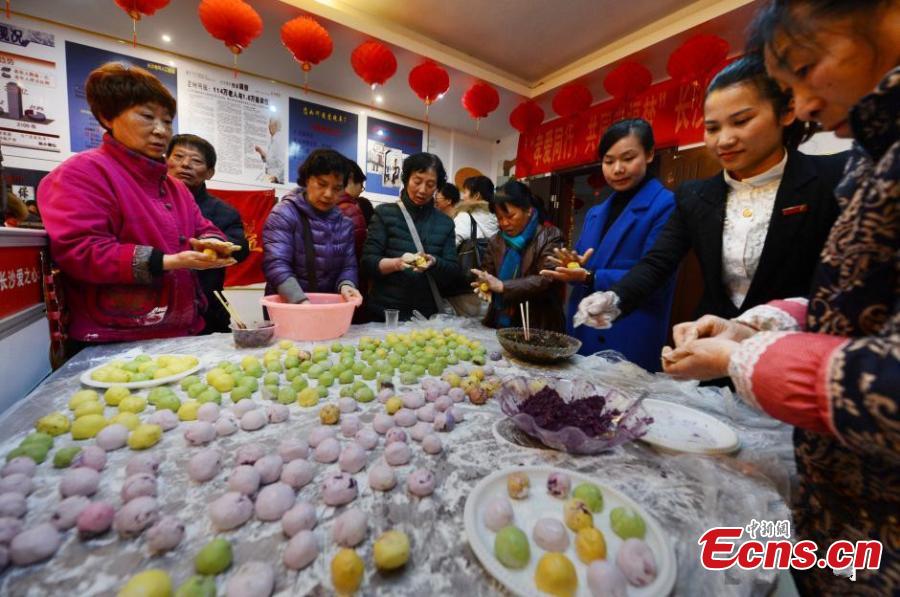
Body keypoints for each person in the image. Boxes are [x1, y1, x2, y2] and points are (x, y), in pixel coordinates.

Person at [662, 2, 899, 594]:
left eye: (807, 66)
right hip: (834, 476)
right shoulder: (875, 153)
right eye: (712, 127)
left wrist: (739, 357)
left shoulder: (831, 173)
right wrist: (752, 325)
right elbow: (848, 301)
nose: (808, 105)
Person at [576, 56, 847, 337]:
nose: (724, 140)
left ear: (786, 113)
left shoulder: (833, 179)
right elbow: (658, 262)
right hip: (710, 345)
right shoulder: (695, 196)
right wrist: (615, 299)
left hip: (797, 353)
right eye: (712, 128)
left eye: (741, 121)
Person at [38, 62, 232, 348]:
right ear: (107, 117)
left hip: (183, 330)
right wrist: (166, 262)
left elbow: (205, 227)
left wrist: (213, 243)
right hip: (115, 336)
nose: (160, 131)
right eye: (147, 116)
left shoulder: (174, 187)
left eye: (167, 121)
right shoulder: (82, 172)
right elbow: (80, 250)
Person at [541, 119, 676, 371]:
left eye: (627, 158)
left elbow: (656, 277)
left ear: (649, 154)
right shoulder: (595, 212)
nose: (617, 169)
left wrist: (591, 276)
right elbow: (582, 270)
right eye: (608, 160)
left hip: (627, 329)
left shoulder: (666, 205)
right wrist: (571, 267)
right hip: (584, 327)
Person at [166, 134, 250, 334]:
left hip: (207, 311)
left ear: (210, 172)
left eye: (196, 160)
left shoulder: (223, 211)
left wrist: (217, 245)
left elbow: (241, 248)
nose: (185, 164)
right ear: (165, 161)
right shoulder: (146, 202)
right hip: (157, 309)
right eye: (178, 157)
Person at [361, 152, 460, 321]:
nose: (422, 190)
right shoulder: (384, 213)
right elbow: (368, 262)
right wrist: (397, 263)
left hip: (425, 315)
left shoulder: (445, 223)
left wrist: (434, 262)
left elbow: (452, 271)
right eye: (417, 181)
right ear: (406, 179)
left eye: (430, 184)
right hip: (385, 312)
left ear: (437, 187)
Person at [262, 149, 362, 305]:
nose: (328, 194)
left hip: (326, 306)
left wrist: (346, 285)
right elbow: (276, 264)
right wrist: (300, 301)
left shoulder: (345, 223)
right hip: (289, 306)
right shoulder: (284, 213)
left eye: (336, 188)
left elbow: (348, 266)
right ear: (308, 179)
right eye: (322, 184)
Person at [471, 180, 565, 332]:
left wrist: (503, 286)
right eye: (499, 218)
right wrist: (484, 282)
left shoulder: (550, 236)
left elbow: (547, 278)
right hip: (500, 320)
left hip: (538, 323)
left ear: (528, 210)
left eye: (510, 216)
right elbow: (487, 272)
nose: (504, 223)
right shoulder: (497, 240)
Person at [336, 158, 371, 258]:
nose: (361, 190)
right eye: (361, 185)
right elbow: (358, 252)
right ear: (351, 178)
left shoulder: (325, 205)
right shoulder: (352, 210)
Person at [254, 117, 285, 184]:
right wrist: (261, 152)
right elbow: (271, 160)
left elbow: (282, 163)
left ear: (275, 125)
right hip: (270, 177)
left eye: (270, 123)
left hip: (275, 179)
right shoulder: (273, 140)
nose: (268, 126)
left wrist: (275, 177)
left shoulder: (278, 140)